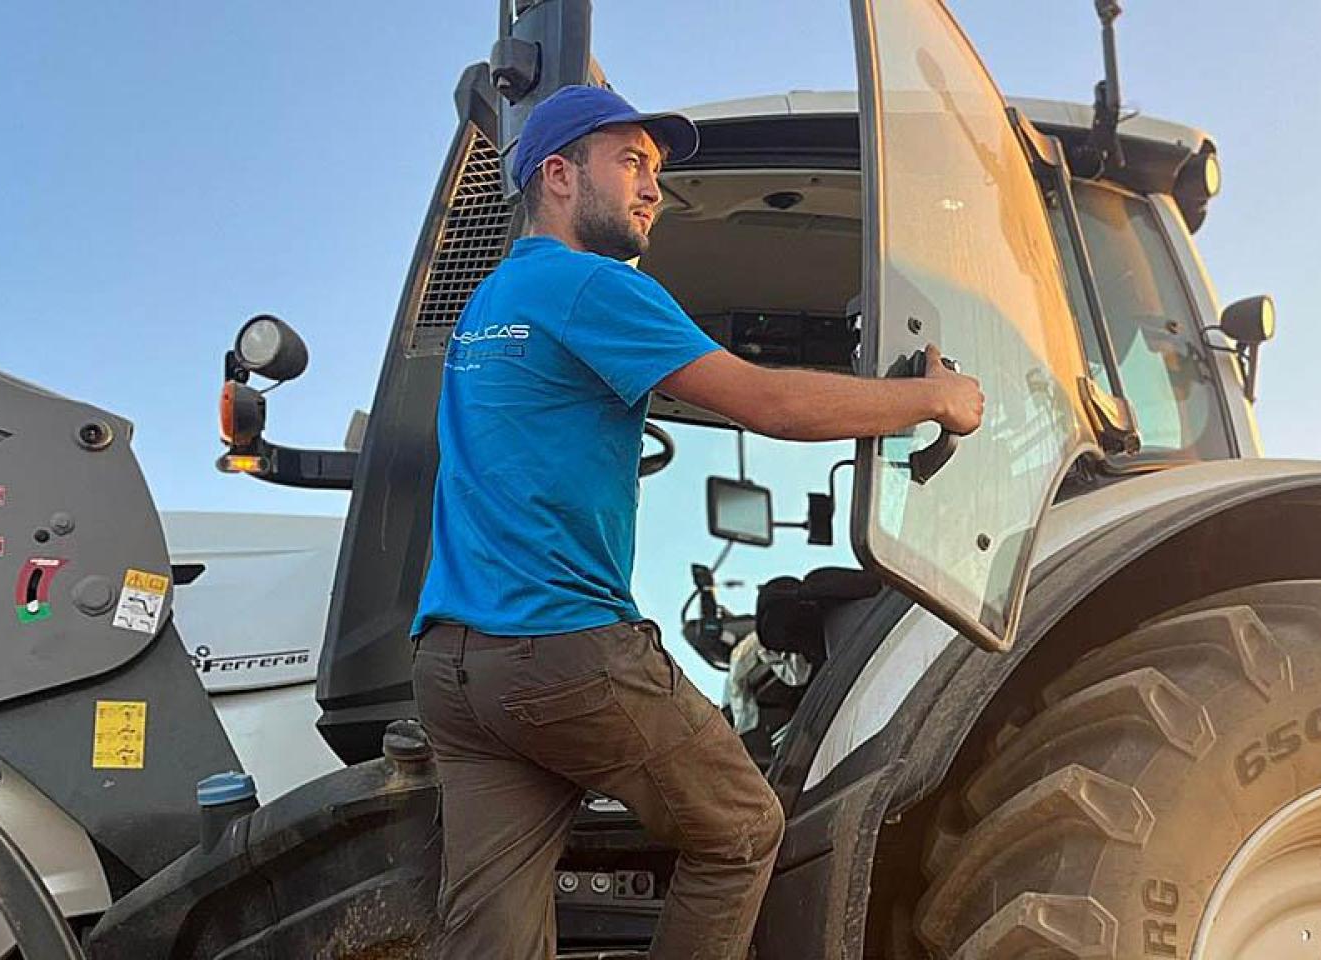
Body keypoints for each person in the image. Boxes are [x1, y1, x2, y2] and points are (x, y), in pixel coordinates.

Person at [409, 84, 983, 960]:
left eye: (656, 170)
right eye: (631, 162)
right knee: (744, 829)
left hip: (456, 671)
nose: (652, 189)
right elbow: (771, 403)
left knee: (491, 930)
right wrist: (933, 397)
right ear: (558, 176)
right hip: (561, 649)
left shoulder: (491, 304)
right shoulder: (592, 286)